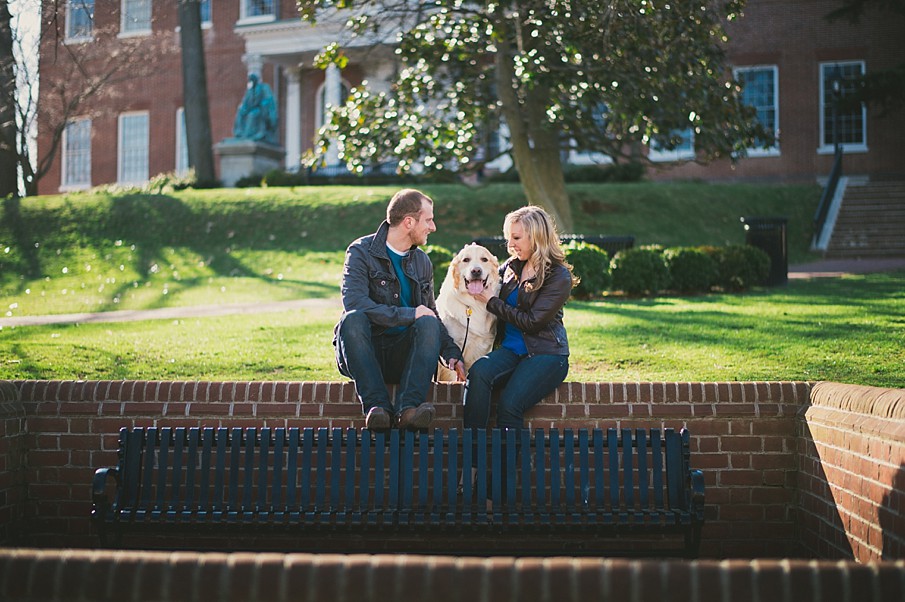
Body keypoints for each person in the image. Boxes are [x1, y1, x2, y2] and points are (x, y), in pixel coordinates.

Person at [334, 189, 466, 431]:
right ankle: (377, 410)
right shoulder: (361, 251)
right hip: (366, 353)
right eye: (428, 220)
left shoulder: (421, 262)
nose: (433, 227)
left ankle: (408, 410)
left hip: (404, 356)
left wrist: (450, 352)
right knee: (351, 320)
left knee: (427, 321)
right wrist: (409, 314)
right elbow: (354, 303)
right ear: (409, 222)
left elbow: (429, 313)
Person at [463, 205, 577, 432]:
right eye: (508, 238)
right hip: (511, 351)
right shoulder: (509, 268)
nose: (510, 245)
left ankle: (507, 468)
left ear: (536, 237)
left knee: (509, 405)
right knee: (478, 373)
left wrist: (492, 302)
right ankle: (474, 460)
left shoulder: (558, 276)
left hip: (546, 354)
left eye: (516, 237)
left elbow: (533, 322)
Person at [232, 73, 278, 144]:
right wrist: (243, 108)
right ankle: (239, 132)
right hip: (250, 109)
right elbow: (245, 102)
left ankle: (252, 134)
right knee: (240, 113)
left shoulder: (264, 87)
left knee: (253, 114)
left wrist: (264, 104)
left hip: (259, 108)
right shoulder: (249, 91)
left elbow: (269, 99)